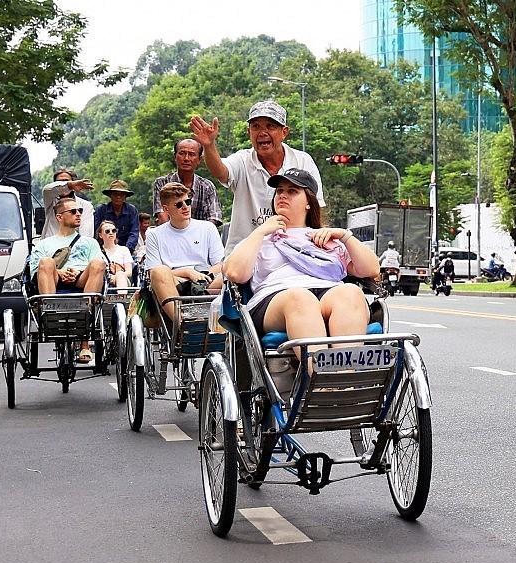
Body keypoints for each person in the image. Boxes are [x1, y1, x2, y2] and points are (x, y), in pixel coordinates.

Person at [222, 168, 379, 367]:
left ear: (308, 202)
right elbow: (235, 273)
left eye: (292, 191)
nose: (283, 196)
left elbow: (371, 270)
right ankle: (322, 384)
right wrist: (260, 232)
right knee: (300, 298)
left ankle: (342, 381)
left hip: (327, 292)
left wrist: (344, 236)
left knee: (351, 292)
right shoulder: (261, 238)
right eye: (279, 191)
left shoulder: (327, 238)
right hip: (277, 299)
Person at [190, 100, 325, 253]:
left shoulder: (302, 161)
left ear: (284, 132)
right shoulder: (242, 160)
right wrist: (209, 146)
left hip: (292, 253)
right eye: (256, 127)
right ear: (249, 132)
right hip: (244, 257)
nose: (262, 132)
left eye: (270, 126)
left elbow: (316, 207)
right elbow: (220, 171)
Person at [29, 198, 106, 363]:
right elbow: (34, 273)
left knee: (99, 263)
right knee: (46, 262)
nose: (78, 214)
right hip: (53, 278)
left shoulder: (90, 242)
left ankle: (85, 335)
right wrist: (59, 271)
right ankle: (50, 314)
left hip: (82, 278)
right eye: (73, 211)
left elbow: (97, 268)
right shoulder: (43, 244)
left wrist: (78, 272)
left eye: (80, 211)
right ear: (59, 217)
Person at [144, 182, 225, 321]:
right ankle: (182, 326)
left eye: (187, 201)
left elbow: (220, 264)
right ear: (166, 209)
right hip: (174, 284)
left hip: (206, 280)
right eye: (179, 204)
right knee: (159, 271)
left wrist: (200, 276)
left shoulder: (207, 228)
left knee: (232, 271)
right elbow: (154, 274)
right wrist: (188, 273)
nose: (185, 207)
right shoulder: (154, 234)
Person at [152, 139, 223, 227]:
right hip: (169, 235)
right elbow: (162, 214)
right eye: (182, 153)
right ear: (175, 156)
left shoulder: (207, 186)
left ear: (199, 159)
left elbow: (214, 217)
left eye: (191, 154)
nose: (186, 158)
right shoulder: (162, 183)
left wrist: (198, 234)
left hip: (199, 237)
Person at [41, 168, 95, 238]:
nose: (62, 184)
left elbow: (86, 233)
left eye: (66, 181)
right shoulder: (50, 200)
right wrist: (68, 185)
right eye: (59, 182)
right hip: (50, 247)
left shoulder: (85, 206)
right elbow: (47, 189)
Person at [94, 179, 140, 252]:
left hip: (126, 250)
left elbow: (134, 233)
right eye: (115, 194)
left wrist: (125, 251)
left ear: (125, 196)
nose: (118, 197)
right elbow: (96, 232)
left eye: (121, 194)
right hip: (104, 250)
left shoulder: (132, 210)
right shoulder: (101, 210)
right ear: (110, 195)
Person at [96, 220, 133, 289]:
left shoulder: (124, 250)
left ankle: (122, 298)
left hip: (122, 280)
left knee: (120, 274)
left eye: (114, 230)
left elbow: (129, 272)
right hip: (102, 281)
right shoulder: (97, 251)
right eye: (107, 231)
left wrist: (116, 276)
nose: (111, 233)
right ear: (100, 235)